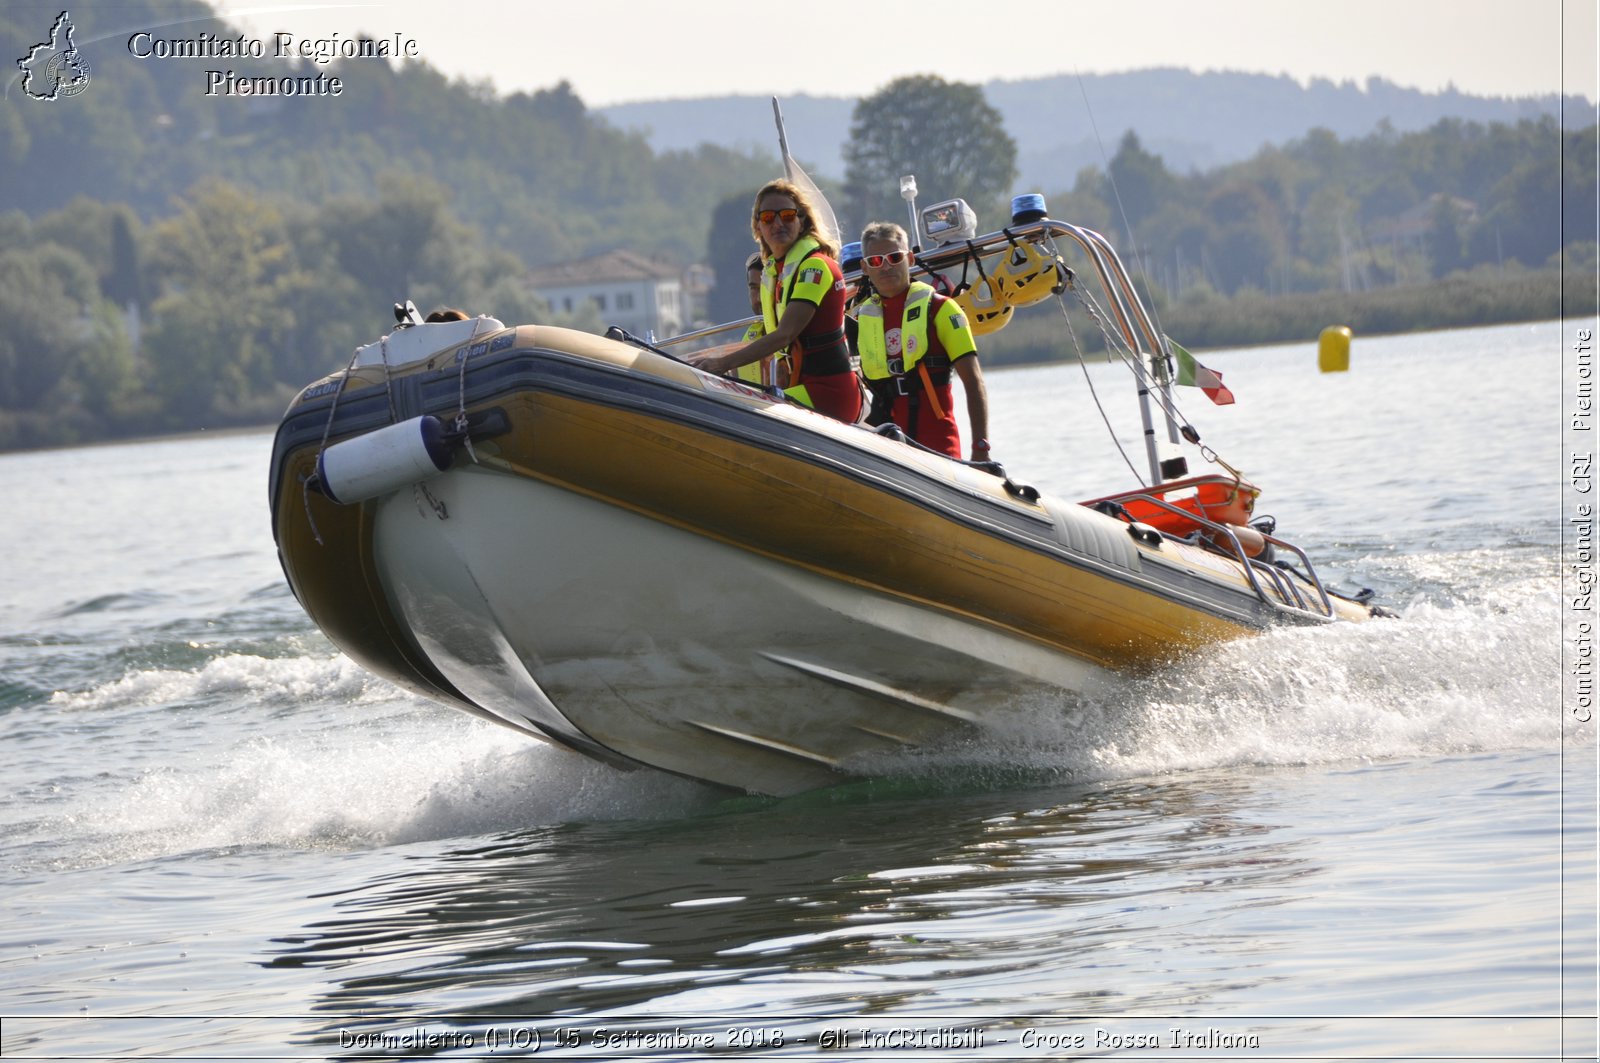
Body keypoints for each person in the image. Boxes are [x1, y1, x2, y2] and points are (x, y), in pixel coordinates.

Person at [688, 180, 860, 423]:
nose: (778, 223)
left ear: (802, 222)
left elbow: (784, 335)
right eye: (768, 217)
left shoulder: (815, 267)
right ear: (758, 227)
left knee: (741, 417)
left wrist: (721, 364)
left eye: (788, 215)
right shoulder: (775, 272)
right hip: (801, 388)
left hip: (829, 394)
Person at [853, 221, 991, 462]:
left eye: (894, 258)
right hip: (887, 448)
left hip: (939, 446)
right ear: (865, 267)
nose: (886, 267)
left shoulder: (942, 309)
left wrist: (981, 448)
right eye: (876, 261)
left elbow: (974, 381)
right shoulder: (861, 319)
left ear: (910, 259)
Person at [732, 251, 788, 388]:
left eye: (765, 288)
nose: (759, 299)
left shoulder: (796, 333)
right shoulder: (748, 339)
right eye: (754, 289)